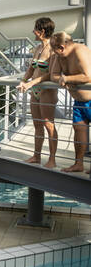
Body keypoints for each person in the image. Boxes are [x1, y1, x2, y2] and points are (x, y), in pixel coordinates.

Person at [17, 17, 58, 168]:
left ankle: (52, 159)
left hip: (47, 91)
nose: (32, 31)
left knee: (49, 125)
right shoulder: (37, 48)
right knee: (37, 125)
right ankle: (36, 156)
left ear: (41, 31)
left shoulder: (53, 49)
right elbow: (31, 69)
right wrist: (23, 80)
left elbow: (51, 74)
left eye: (35, 28)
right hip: (34, 91)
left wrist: (32, 83)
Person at [50, 31, 91, 173]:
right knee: (79, 130)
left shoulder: (80, 51)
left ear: (61, 47)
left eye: (54, 49)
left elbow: (88, 76)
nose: (53, 52)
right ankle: (78, 164)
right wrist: (61, 79)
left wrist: (67, 79)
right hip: (78, 102)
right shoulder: (60, 56)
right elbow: (53, 75)